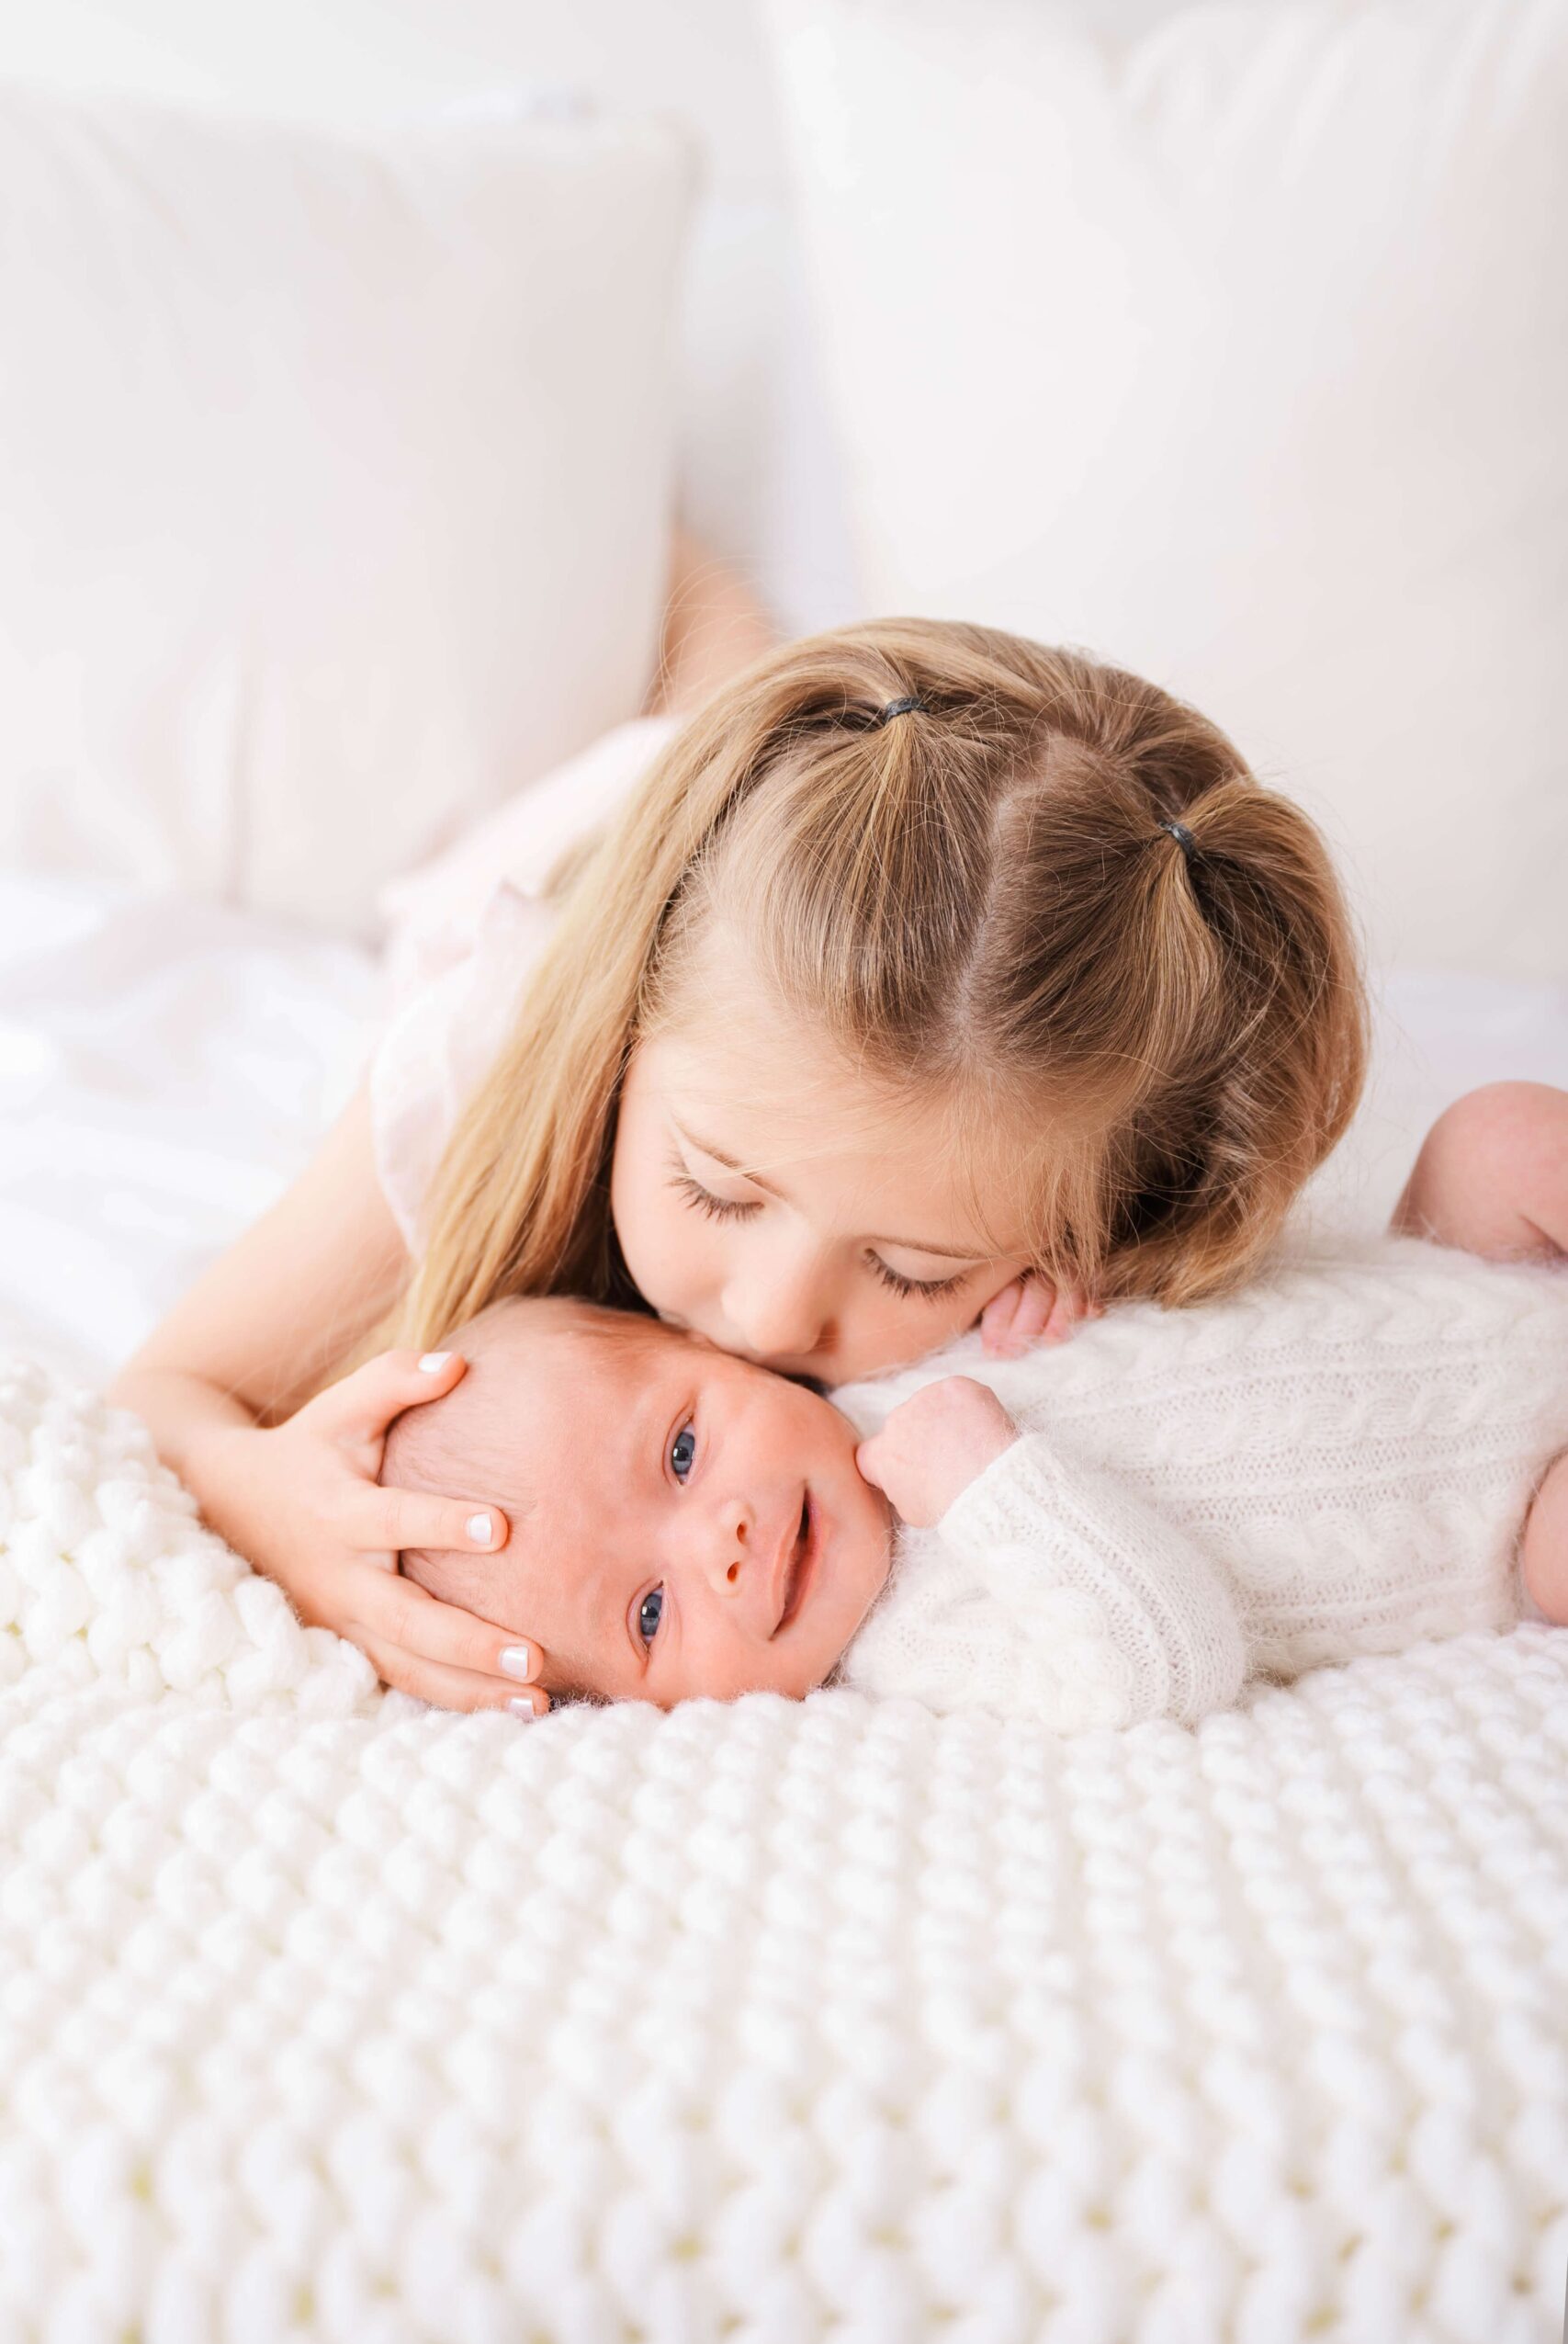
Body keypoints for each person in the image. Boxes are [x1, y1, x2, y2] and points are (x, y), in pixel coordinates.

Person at [110, 617, 1366, 1718]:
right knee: (691, 698)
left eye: (910, 1267)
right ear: (625, 1036)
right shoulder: (484, 1076)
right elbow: (162, 1395)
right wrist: (269, 1501)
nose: (768, 1316)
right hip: (577, 841)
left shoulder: (1096, 1120)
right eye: (717, 1188)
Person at [381, 1085, 1568, 1725]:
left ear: (714, 1353)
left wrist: (1067, 1278)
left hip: (1441, 1272)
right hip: (1501, 1511)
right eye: (649, 1616)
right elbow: (1167, 1668)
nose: (724, 1543)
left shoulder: (881, 1336)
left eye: (685, 1450)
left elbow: (1095, 1230)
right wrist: (1001, 1492)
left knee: (1501, 1135)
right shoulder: (920, 1644)